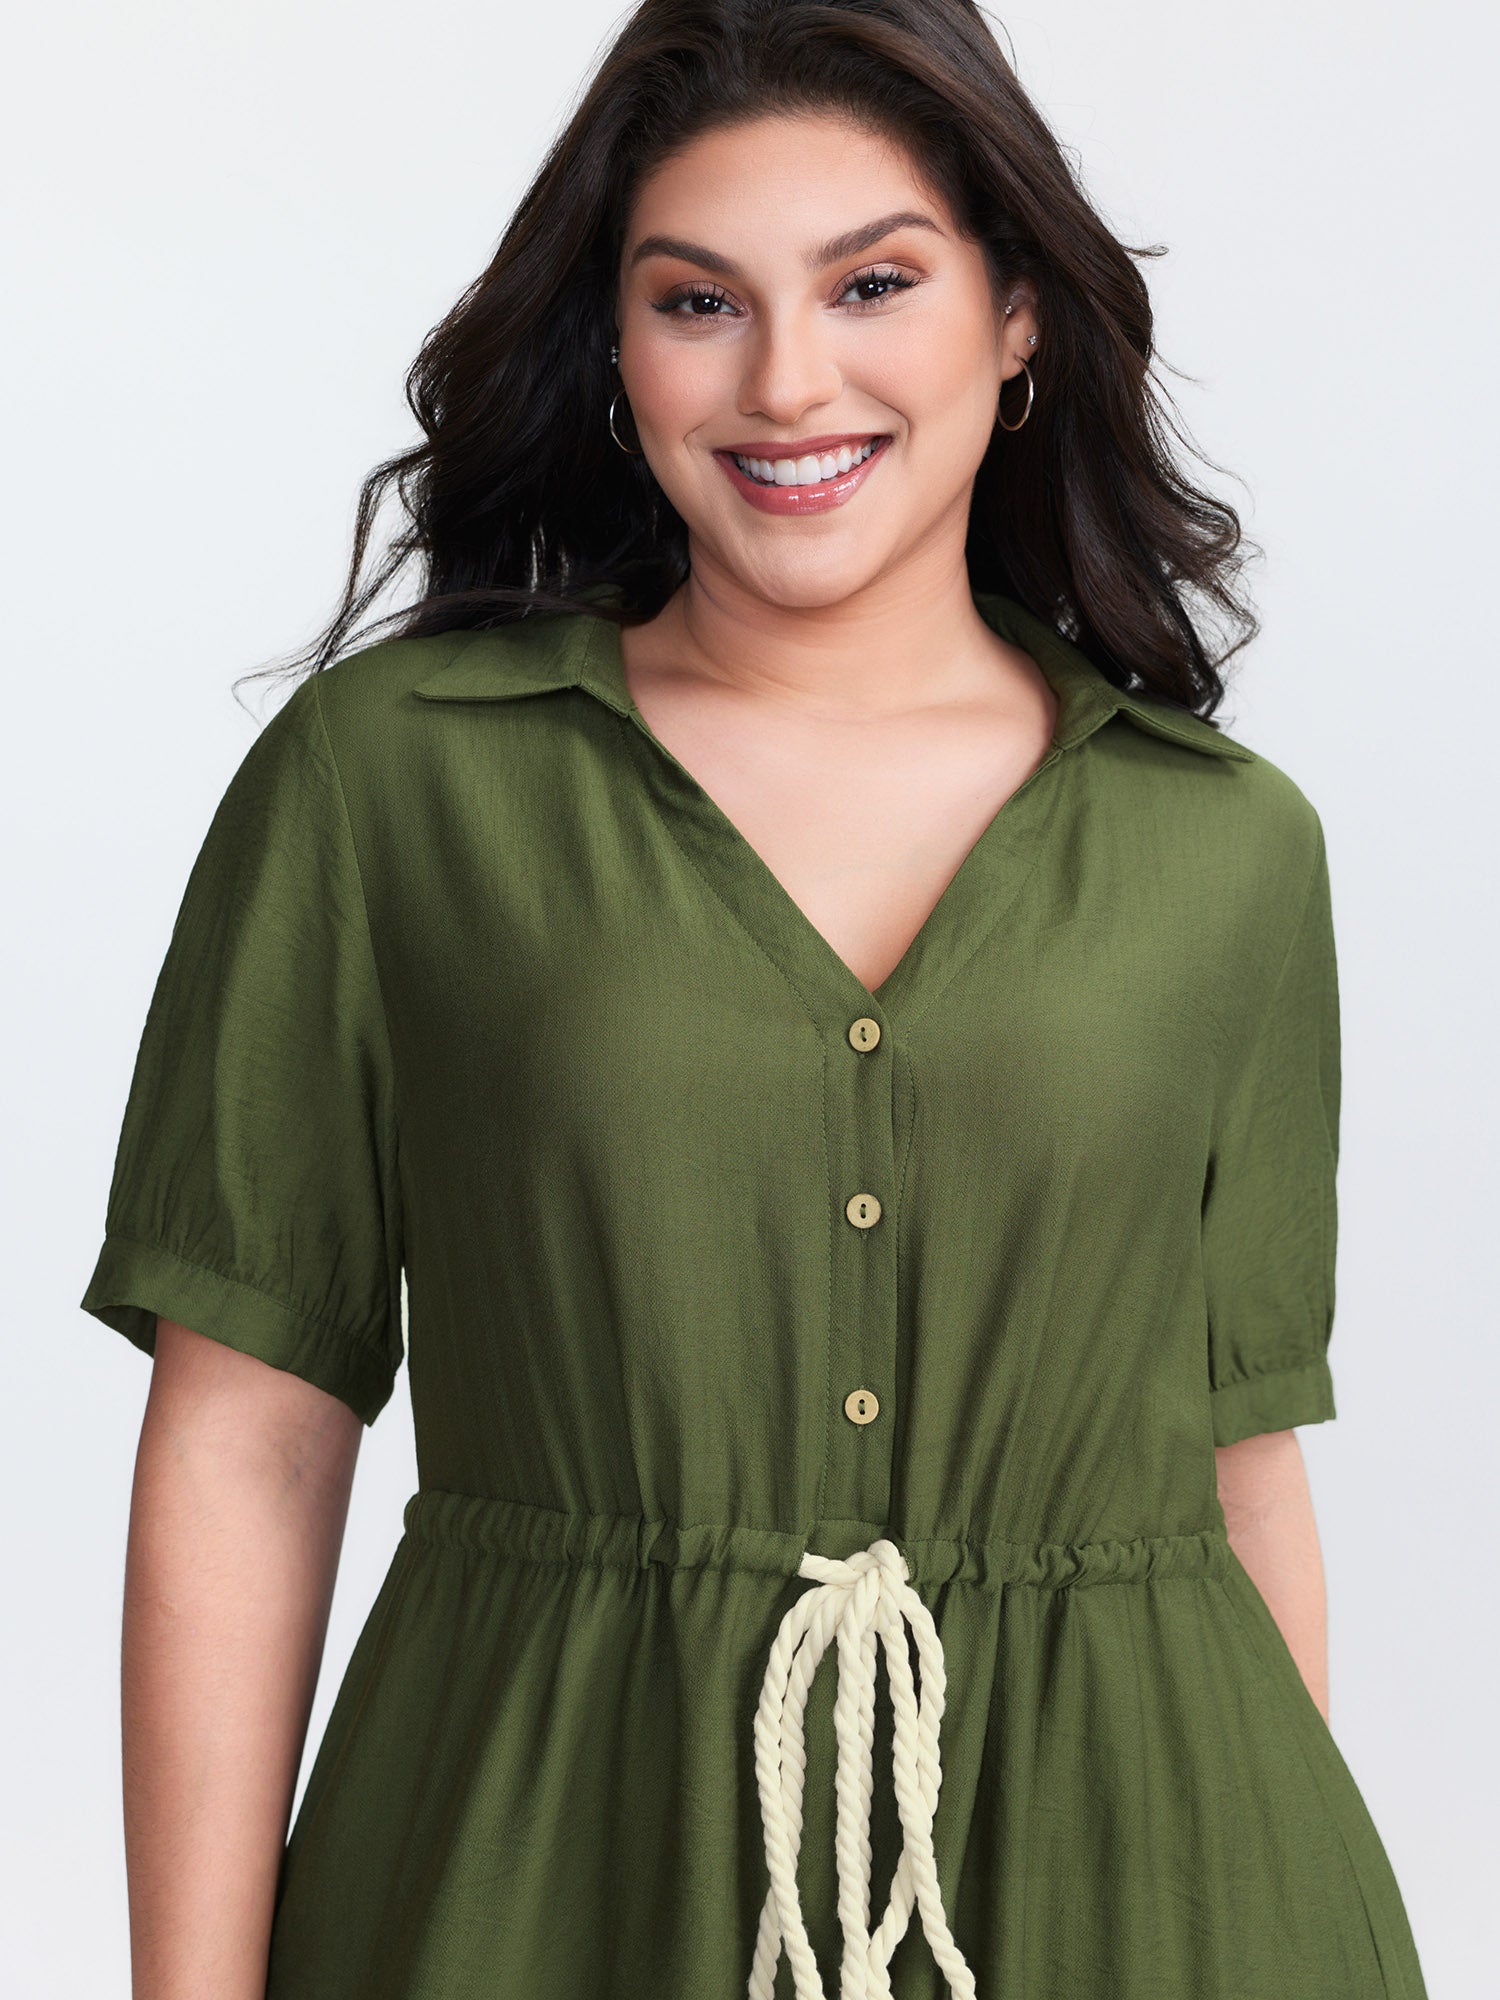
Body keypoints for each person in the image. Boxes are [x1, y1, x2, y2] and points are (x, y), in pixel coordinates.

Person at [79, 2, 1429, 1996]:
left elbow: (1237, 1478)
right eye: (697, 301)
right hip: (541, 1873)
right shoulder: (393, 787)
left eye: (874, 282)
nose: (788, 378)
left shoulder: (1225, 845)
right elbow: (245, 1444)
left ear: (1018, 317)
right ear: (617, 352)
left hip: (1140, 1880)